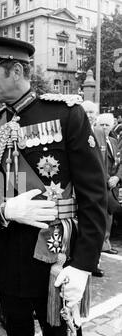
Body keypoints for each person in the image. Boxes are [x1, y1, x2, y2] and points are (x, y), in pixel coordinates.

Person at [0, 34, 107, 336]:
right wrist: (2, 210)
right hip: (10, 257)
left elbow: (94, 196)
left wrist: (83, 265)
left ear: (16, 70)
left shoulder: (66, 114)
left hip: (55, 260)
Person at [81, 101, 106, 277]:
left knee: (99, 220)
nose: (89, 114)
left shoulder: (99, 131)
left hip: (99, 181)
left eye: (92, 111)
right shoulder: (74, 128)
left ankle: (94, 262)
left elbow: (102, 158)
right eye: (86, 111)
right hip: (81, 184)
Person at [96, 113, 122, 255]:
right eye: (102, 125)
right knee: (100, 215)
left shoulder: (113, 141)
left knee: (109, 214)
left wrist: (117, 178)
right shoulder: (93, 140)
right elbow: (97, 163)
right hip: (101, 183)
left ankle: (106, 243)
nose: (105, 128)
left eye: (107, 125)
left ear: (112, 126)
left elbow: (120, 162)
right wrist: (108, 179)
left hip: (113, 185)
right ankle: (99, 244)